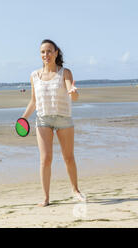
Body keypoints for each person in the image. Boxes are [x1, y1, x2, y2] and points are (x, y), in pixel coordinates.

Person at [21, 39, 85, 207]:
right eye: (43, 52)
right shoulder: (34, 75)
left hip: (63, 118)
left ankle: (75, 190)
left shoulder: (65, 72)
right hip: (43, 119)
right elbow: (34, 101)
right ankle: (46, 198)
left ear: (56, 53)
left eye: (49, 51)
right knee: (46, 159)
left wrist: (73, 92)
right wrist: (23, 118)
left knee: (68, 157)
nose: (46, 55)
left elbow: (73, 94)